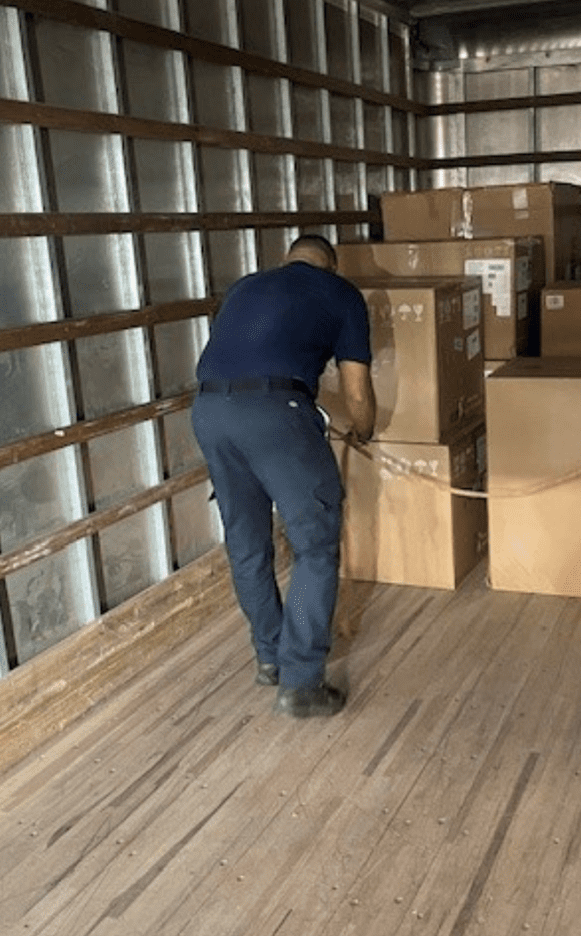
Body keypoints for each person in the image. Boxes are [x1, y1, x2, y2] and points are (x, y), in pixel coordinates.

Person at [191, 234, 376, 716]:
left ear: (288, 259)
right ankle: (300, 682)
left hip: (209, 411)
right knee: (315, 546)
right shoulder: (341, 294)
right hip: (276, 413)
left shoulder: (245, 287)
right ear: (329, 265)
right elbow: (357, 393)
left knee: (247, 543)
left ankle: (270, 658)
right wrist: (364, 430)